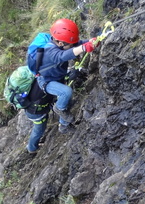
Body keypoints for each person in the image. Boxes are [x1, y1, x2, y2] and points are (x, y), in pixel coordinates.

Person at [24, 18, 96, 153]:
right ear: (60, 42)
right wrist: (83, 48)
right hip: (46, 81)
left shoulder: (61, 44)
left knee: (66, 99)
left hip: (57, 77)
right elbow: (62, 56)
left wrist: (91, 41)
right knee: (66, 92)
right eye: (70, 43)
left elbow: (76, 44)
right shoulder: (50, 51)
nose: (73, 45)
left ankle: (63, 126)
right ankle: (58, 108)